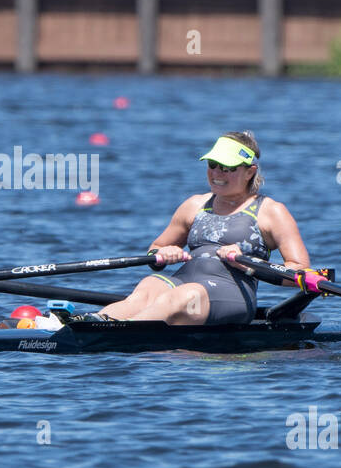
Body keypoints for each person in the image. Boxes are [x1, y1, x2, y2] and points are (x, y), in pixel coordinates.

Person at [90, 131, 325, 326]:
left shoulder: (270, 211)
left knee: (183, 296)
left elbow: (300, 273)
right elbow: (155, 251)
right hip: (183, 285)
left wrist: (248, 265)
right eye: (213, 165)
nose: (217, 173)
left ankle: (116, 332)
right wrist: (162, 255)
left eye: (227, 168)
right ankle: (92, 322)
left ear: (249, 172)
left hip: (229, 296)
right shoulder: (194, 205)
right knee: (149, 286)